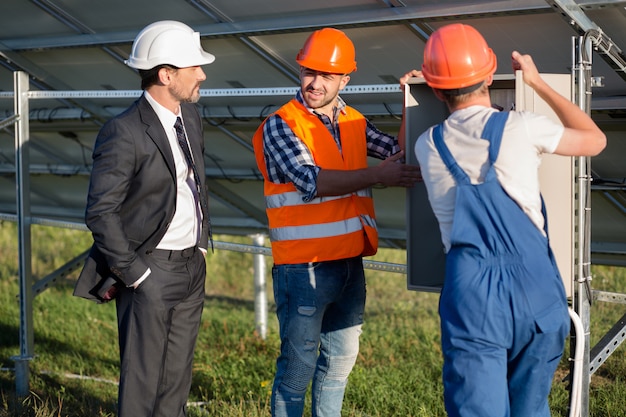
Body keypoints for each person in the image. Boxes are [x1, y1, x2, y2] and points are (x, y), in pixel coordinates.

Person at [414, 23, 606, 417]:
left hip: (472, 296)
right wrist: (537, 84)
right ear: (490, 73)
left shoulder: (426, 145)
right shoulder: (521, 126)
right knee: (530, 408)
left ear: (434, 90)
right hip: (535, 289)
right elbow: (594, 139)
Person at [252, 27, 422, 417]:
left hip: (348, 265)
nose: (314, 82)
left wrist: (409, 100)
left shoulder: (354, 121)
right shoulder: (283, 124)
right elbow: (310, 181)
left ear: (345, 79)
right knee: (297, 373)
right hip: (303, 268)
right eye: (308, 72)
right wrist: (377, 175)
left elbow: (398, 153)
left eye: (326, 76)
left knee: (337, 370)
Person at [73, 20, 215, 417]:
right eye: (194, 67)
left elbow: (195, 183)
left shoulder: (191, 118)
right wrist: (136, 274)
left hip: (191, 266)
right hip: (150, 272)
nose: (202, 74)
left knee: (176, 384)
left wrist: (200, 245)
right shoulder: (124, 131)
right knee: (142, 385)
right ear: (166, 74)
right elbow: (101, 212)